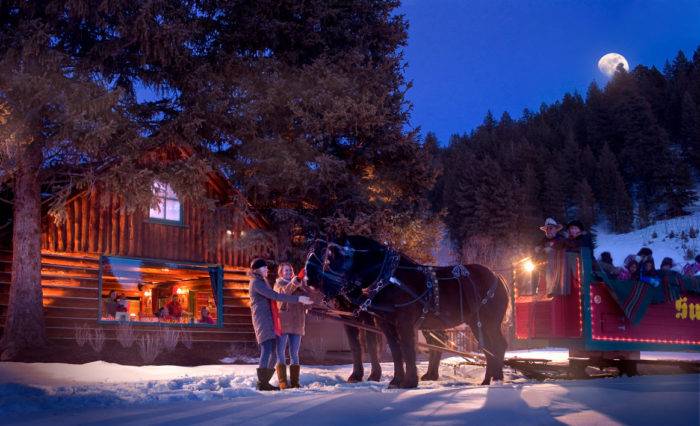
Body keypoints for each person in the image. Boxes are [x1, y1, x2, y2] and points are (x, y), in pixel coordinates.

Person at [249, 258, 313, 391]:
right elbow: (277, 296)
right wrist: (297, 295)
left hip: (290, 322)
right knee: (272, 350)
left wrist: (302, 290)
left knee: (278, 351)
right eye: (265, 267)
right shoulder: (260, 283)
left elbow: (307, 298)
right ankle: (269, 382)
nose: (267, 269)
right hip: (274, 321)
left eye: (291, 270)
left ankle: (268, 382)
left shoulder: (262, 281)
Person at [274, 263, 310, 389]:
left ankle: (295, 382)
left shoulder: (299, 284)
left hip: (297, 322)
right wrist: (294, 283)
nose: (289, 272)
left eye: (291, 270)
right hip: (283, 322)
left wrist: (305, 290)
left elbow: (307, 301)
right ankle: (282, 381)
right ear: (281, 272)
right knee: (281, 352)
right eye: (286, 270)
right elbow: (283, 295)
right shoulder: (279, 284)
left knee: (294, 353)